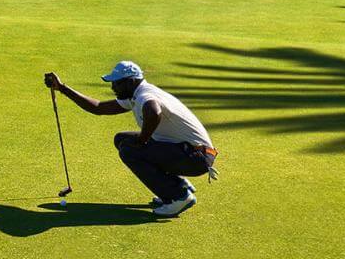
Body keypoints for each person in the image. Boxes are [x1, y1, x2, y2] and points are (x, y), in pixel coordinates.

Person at [44, 61, 217, 218]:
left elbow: (153, 112)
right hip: (188, 152)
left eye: (116, 83)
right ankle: (177, 185)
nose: (113, 87)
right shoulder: (135, 94)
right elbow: (99, 108)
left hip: (196, 158)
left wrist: (142, 140)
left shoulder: (144, 96)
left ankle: (179, 197)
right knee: (122, 139)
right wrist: (63, 88)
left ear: (130, 81)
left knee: (130, 150)